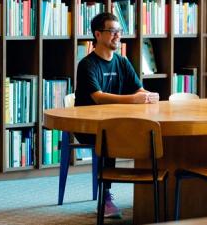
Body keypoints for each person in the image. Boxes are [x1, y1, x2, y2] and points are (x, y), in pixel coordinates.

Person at [74, 12, 160, 218]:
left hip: (116, 123)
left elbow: (138, 89)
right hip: (88, 127)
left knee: (150, 135)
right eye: (112, 31)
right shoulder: (87, 65)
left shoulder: (122, 62)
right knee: (109, 137)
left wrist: (149, 96)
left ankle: (149, 190)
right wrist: (134, 99)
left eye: (119, 31)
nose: (117, 36)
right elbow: (98, 97)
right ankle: (105, 197)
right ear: (98, 34)